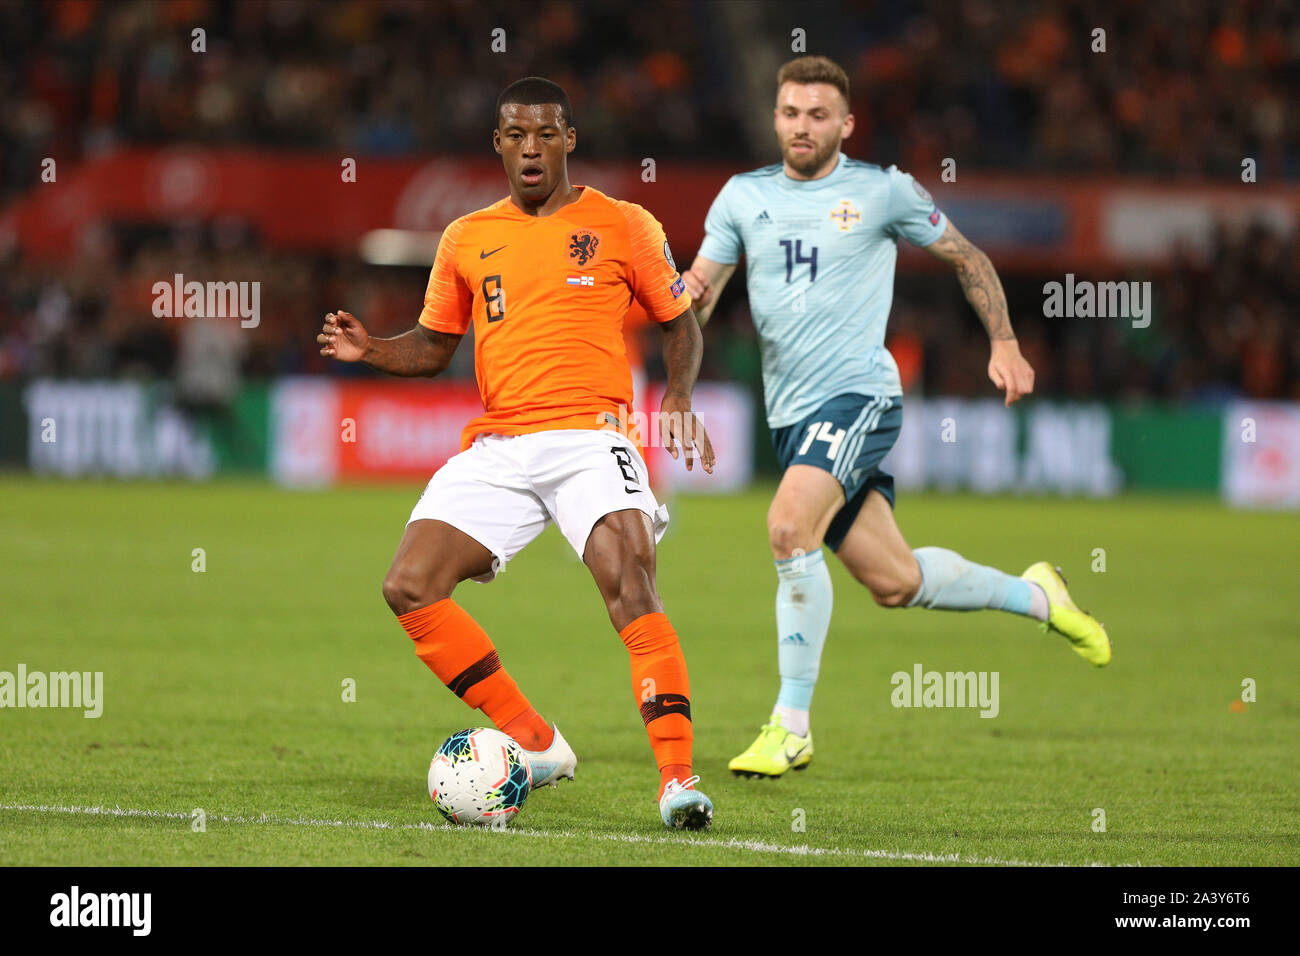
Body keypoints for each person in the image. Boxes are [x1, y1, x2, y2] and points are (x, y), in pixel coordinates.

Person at [681, 56, 1111, 780]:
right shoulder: (739, 198)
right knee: (895, 581)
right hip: (793, 420)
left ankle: (790, 726)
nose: (802, 127)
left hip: (860, 398)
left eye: (819, 115)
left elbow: (967, 256)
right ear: (776, 117)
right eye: (791, 113)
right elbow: (698, 300)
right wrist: (678, 383)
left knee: (788, 527)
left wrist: (1004, 341)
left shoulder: (883, 191)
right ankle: (1041, 596)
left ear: (846, 124)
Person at [319, 77, 715, 829]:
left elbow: (680, 321)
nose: (530, 147)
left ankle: (676, 780)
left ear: (569, 139)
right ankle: (537, 744)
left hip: (592, 436)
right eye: (515, 135)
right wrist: (372, 348)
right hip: (500, 443)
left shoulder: (624, 223)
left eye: (545, 134)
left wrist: (680, 396)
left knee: (630, 581)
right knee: (408, 585)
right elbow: (434, 348)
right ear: (498, 145)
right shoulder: (466, 236)